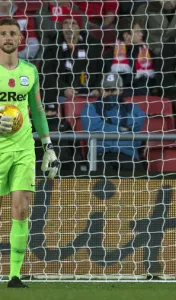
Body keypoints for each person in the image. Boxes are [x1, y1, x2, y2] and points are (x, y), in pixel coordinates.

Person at [0, 18, 59, 288]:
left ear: (21, 39)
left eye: (13, 33)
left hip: (24, 149)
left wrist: (48, 146)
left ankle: (14, 275)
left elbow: (37, 110)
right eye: (3, 34)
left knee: (21, 209)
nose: (8, 37)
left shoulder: (30, 71)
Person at [81, 73, 146, 177]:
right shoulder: (89, 107)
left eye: (113, 90)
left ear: (121, 90)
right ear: (101, 90)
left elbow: (137, 126)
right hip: (100, 156)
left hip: (127, 155)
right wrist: (121, 128)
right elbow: (93, 128)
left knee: (138, 188)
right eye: (107, 90)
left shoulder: (133, 108)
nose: (110, 93)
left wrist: (106, 126)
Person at [40, 14, 101, 105]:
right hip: (61, 95)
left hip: (88, 93)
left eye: (73, 23)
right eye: (66, 23)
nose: (69, 27)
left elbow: (100, 69)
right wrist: (63, 89)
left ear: (79, 28)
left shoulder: (92, 46)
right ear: (61, 27)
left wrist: (97, 88)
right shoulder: (52, 47)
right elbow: (46, 74)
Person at [102, 17, 157, 97]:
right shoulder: (110, 57)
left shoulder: (147, 53)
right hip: (121, 98)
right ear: (126, 36)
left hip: (145, 97)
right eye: (137, 32)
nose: (141, 34)